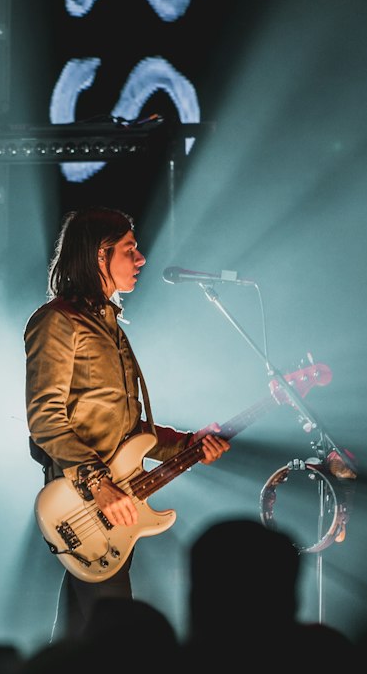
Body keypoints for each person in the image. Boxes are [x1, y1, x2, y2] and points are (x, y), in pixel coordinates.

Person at [24, 206, 230, 640]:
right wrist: (99, 483)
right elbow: (45, 418)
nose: (141, 260)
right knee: (119, 639)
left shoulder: (111, 327)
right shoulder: (59, 322)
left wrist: (192, 443)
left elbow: (131, 431)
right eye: (130, 250)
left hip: (111, 505)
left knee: (82, 638)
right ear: (100, 255)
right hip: (87, 499)